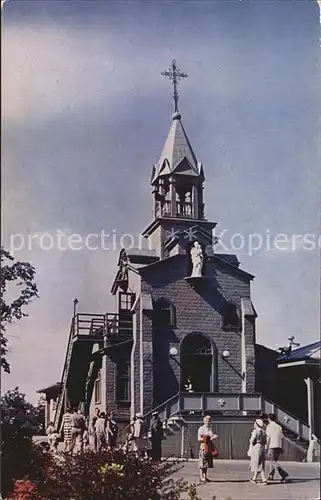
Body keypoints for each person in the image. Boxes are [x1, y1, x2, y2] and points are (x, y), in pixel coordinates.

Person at [266, 413, 289, 482]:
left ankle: (283, 473)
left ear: (269, 418)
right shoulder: (279, 427)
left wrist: (266, 446)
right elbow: (282, 438)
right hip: (278, 445)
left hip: (272, 445)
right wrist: (282, 447)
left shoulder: (269, 426)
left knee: (272, 461)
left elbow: (268, 437)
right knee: (273, 461)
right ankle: (271, 475)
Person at [197, 415, 218, 483]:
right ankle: (201, 477)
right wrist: (207, 438)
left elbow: (212, 435)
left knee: (207, 463)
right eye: (206, 420)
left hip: (209, 446)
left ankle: (205, 476)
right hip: (203, 446)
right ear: (204, 421)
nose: (208, 422)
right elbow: (199, 438)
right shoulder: (201, 428)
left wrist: (213, 436)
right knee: (202, 462)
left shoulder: (210, 428)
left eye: (209, 420)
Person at [248, 419, 267, 485]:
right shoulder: (264, 431)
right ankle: (254, 478)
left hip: (256, 447)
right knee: (260, 463)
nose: (254, 424)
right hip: (262, 447)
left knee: (257, 463)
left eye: (254, 423)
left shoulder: (255, 431)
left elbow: (252, 440)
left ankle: (264, 479)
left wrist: (251, 442)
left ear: (257, 424)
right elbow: (265, 442)